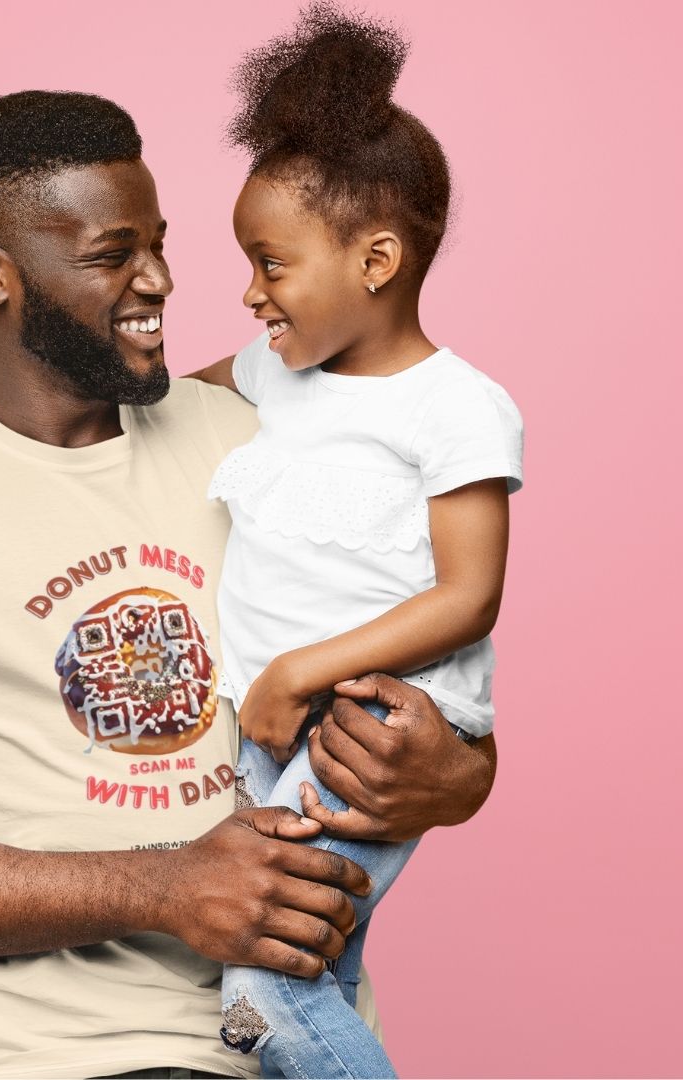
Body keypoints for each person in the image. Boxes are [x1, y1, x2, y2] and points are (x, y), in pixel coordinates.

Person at [0, 89, 498, 1080]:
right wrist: (161, 890)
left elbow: (430, 676)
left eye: (159, 244)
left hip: (301, 1043)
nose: (160, 279)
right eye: (114, 254)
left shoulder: (262, 439)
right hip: (46, 1060)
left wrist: (457, 774)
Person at [187, 5, 523, 1078]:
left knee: (266, 990)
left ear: (376, 259)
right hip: (269, 732)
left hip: (367, 731)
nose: (250, 292)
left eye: (271, 264)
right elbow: (168, 398)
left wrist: (299, 672)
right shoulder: (271, 372)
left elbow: (469, 597)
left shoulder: (455, 407)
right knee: (307, 983)